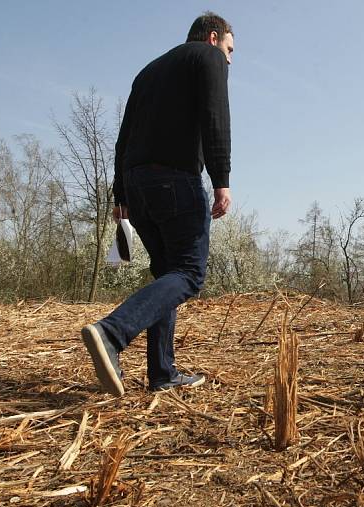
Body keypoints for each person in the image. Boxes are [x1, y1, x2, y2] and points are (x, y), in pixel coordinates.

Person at [81, 12, 234, 396]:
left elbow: (122, 139)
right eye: (230, 49)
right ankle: (111, 332)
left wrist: (120, 196)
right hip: (176, 180)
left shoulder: (147, 72)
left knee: (167, 273)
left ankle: (162, 373)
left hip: (137, 185)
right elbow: (216, 117)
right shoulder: (208, 58)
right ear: (213, 37)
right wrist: (222, 181)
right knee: (189, 274)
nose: (230, 59)